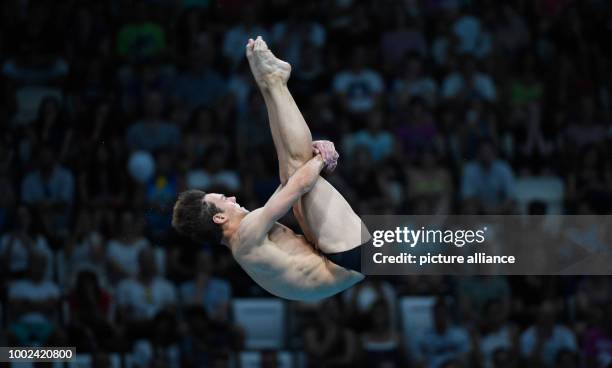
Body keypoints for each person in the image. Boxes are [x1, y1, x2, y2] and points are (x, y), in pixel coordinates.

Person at [172, 37, 367, 301]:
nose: (232, 198)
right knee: (298, 168)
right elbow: (300, 184)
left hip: (335, 259)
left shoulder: (243, 245)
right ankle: (273, 82)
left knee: (291, 170)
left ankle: (270, 83)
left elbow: (290, 180)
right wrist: (323, 157)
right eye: (223, 199)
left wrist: (315, 157)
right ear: (219, 218)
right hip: (348, 258)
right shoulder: (247, 232)